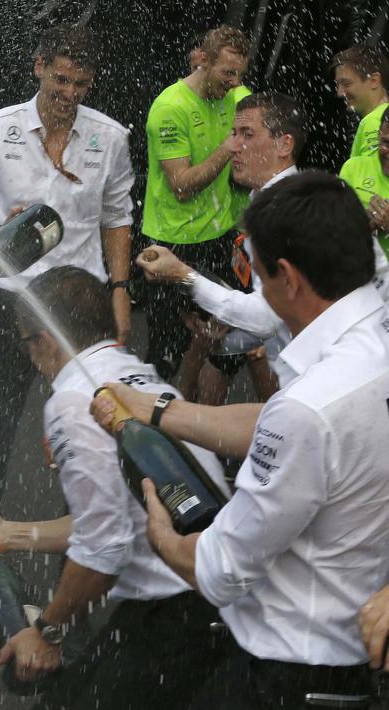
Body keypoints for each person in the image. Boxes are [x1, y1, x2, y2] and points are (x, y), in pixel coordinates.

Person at [99, 172, 389, 708]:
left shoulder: (309, 409)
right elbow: (287, 420)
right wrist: (162, 410)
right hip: (341, 668)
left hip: (285, 675)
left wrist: (159, 528)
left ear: (288, 279)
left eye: (255, 275)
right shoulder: (366, 351)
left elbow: (220, 569)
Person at [0, 266, 228, 708]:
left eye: (26, 343)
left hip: (176, 609)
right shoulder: (133, 371)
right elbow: (116, 513)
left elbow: (104, 548)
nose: (29, 357)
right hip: (211, 589)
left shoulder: (69, 400)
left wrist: (46, 632)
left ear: (43, 340)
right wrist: (11, 533)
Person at [0, 24, 135, 508]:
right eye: (60, 81)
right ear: (39, 68)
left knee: (95, 426)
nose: (69, 94)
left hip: (79, 301)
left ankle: (88, 544)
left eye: (80, 84)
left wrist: (120, 290)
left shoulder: (110, 137)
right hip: (7, 301)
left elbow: (117, 219)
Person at [138, 92, 310, 405]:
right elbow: (272, 322)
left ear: (284, 146)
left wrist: (183, 275)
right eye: (233, 134)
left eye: (247, 135)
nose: (234, 146)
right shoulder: (272, 198)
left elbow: (266, 318)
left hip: (325, 379)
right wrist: (216, 338)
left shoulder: (283, 209)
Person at [139, 26, 249, 380]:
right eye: (227, 73)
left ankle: (204, 429)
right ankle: (161, 426)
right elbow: (182, 187)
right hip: (175, 242)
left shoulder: (237, 97)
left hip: (219, 238)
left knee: (222, 348)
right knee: (169, 354)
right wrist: (226, 150)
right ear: (202, 60)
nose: (234, 82)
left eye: (240, 74)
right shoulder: (171, 107)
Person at [339, 108, 389, 256]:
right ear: (378, 135)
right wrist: (366, 222)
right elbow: (333, 228)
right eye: (386, 142)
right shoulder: (354, 167)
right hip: (358, 272)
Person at [331, 45, 388, 159]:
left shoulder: (374, 122)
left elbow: (370, 176)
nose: (340, 93)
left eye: (346, 84)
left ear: (374, 80)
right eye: (338, 85)